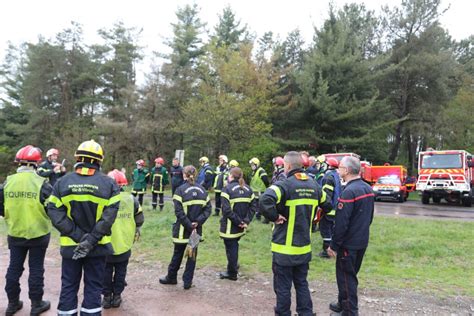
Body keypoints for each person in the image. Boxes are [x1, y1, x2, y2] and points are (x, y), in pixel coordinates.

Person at [48, 139, 120, 316]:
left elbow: (54, 212)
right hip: (97, 247)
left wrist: (79, 237)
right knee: (94, 288)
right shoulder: (110, 184)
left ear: (78, 157)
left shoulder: (62, 183)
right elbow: (108, 218)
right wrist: (90, 240)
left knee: (68, 286)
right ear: (99, 160)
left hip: (71, 247)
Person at [259, 151, 331, 316]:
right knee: (301, 283)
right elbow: (327, 205)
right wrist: (315, 216)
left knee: (283, 287)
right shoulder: (314, 185)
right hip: (304, 247)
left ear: (288, 166)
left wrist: (275, 217)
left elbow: (264, 200)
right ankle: (306, 313)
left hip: (284, 247)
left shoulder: (284, 185)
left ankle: (283, 313)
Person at [0, 145, 52, 316]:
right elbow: (52, 209)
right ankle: (37, 304)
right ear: (37, 163)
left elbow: (1, 208)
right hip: (39, 234)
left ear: (18, 163)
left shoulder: (7, 182)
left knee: (14, 268)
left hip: (15, 233)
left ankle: (13, 304)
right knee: (36, 269)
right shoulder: (42, 183)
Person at [327, 156, 375, 316]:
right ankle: (342, 303)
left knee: (347, 279)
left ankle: (349, 312)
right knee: (350, 274)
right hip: (361, 241)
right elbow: (369, 218)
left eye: (340, 167)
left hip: (349, 244)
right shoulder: (368, 188)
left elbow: (341, 223)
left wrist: (334, 245)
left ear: (346, 170)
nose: (338, 169)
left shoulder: (349, 192)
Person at [159, 165, 212, 290]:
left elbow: (178, 212)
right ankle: (187, 282)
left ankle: (171, 277)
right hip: (195, 231)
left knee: (177, 253)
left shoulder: (180, 190)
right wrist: (197, 223)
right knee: (192, 255)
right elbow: (208, 209)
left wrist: (188, 224)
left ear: (184, 175)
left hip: (183, 230)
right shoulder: (203, 191)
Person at [102, 169, 144, 309]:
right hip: (125, 243)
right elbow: (140, 219)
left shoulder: (103, 199)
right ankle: (117, 296)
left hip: (106, 244)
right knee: (121, 271)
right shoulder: (131, 199)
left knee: (106, 271)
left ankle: (107, 297)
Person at [218, 167, 257, 281]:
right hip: (241, 226)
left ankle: (232, 272)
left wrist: (239, 222)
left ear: (231, 176)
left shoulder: (227, 189)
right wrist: (246, 221)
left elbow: (226, 210)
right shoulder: (248, 189)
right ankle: (233, 264)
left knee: (231, 247)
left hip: (230, 226)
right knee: (233, 246)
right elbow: (253, 207)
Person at [318, 157, 342, 258]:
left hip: (328, 210)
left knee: (325, 230)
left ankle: (326, 252)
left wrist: (323, 208)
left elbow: (326, 195)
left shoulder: (328, 177)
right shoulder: (336, 175)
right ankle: (333, 249)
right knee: (331, 230)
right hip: (335, 210)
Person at [248, 157, 269, 221]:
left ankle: (266, 218)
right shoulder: (254, 172)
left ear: (257, 164)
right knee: (256, 205)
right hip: (255, 191)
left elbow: (265, 180)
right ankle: (258, 216)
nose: (252, 166)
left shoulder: (261, 171)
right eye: (251, 165)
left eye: (253, 165)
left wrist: (267, 187)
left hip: (261, 191)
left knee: (262, 205)